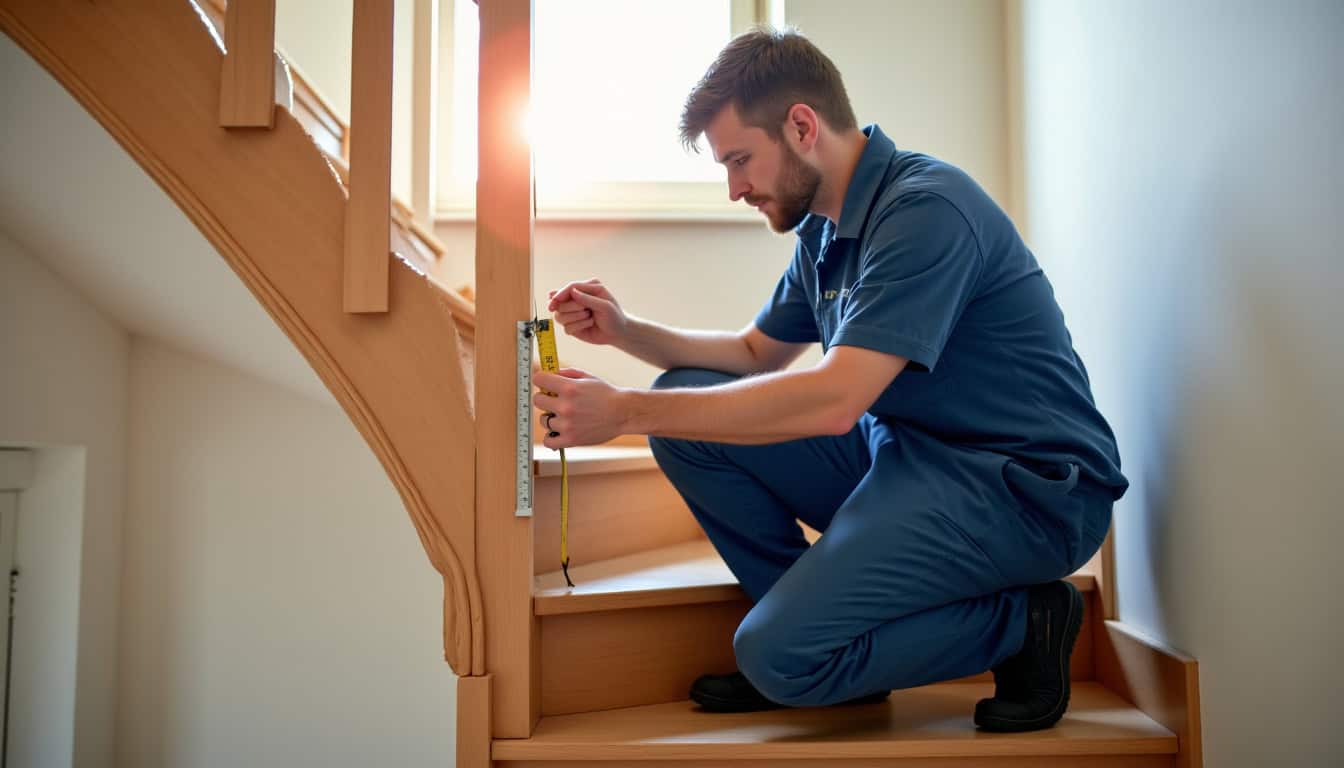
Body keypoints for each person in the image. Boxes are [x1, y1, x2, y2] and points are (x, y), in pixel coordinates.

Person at [532, 26, 1127, 732]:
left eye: (740, 160)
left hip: (1020, 489)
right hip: (908, 455)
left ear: (803, 126)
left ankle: (1020, 624)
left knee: (775, 653)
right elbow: (757, 354)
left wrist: (625, 414)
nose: (733, 189)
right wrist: (625, 331)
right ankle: (827, 651)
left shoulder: (926, 210)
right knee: (682, 399)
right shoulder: (824, 226)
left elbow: (836, 399)